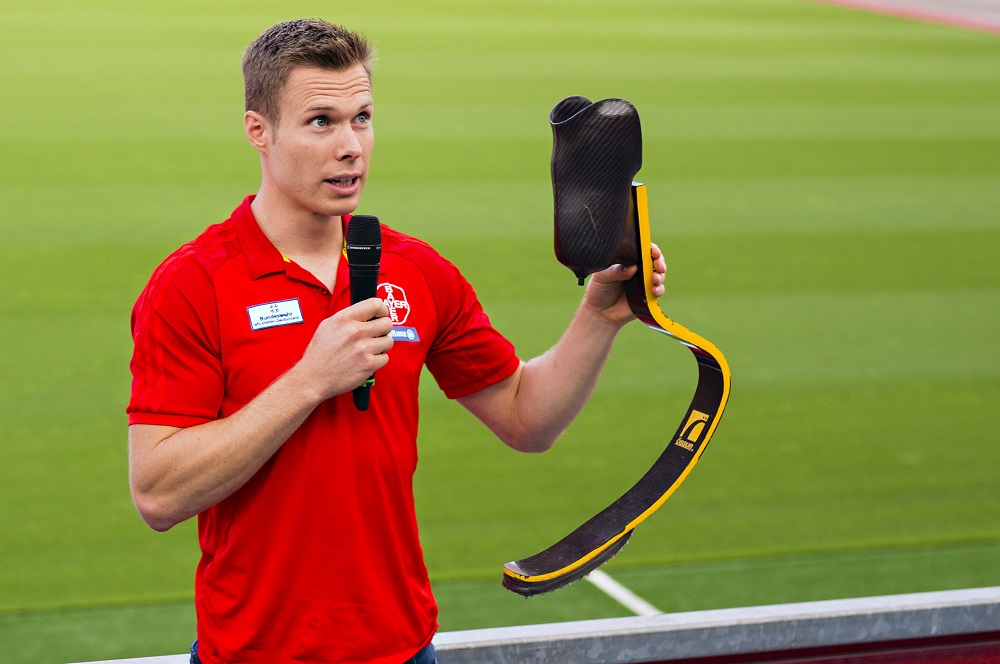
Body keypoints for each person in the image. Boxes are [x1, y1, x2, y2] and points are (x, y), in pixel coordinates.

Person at [127, 18, 666, 664]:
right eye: (321, 122)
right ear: (258, 131)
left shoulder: (414, 270)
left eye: (363, 117)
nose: (351, 146)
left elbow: (527, 417)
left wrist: (600, 315)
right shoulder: (192, 284)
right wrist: (308, 380)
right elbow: (157, 493)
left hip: (403, 651)